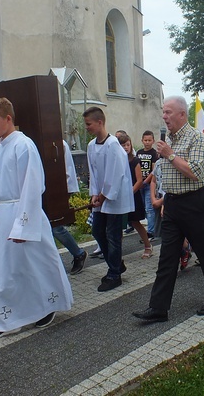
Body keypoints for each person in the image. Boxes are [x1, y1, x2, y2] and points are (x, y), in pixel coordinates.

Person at [0, 98, 73, 340]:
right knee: (4, 268)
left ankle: (46, 307)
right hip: (2, 215)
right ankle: (6, 313)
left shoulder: (24, 145)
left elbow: (32, 185)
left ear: (8, 118)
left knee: (35, 266)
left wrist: (23, 225)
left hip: (23, 214)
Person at [133, 96, 204, 323]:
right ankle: (158, 308)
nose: (164, 117)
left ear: (182, 114)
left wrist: (170, 155)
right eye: (163, 112)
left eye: (168, 112)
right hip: (172, 204)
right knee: (167, 257)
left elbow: (195, 172)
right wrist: (164, 201)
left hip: (195, 203)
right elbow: (163, 175)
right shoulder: (168, 140)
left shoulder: (198, 139)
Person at [84, 107, 134, 291]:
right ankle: (116, 264)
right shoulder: (91, 145)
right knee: (98, 231)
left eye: (89, 124)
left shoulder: (113, 144)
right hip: (101, 198)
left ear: (100, 122)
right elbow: (94, 173)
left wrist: (104, 196)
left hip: (114, 198)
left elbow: (116, 174)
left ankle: (114, 274)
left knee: (113, 236)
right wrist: (94, 194)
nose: (86, 127)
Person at [51, 140, 87, 275]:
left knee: (56, 227)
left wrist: (65, 193)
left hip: (58, 191)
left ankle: (78, 253)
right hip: (45, 193)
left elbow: (68, 172)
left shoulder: (59, 144)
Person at [118, 133, 153, 259]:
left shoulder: (135, 160)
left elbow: (139, 181)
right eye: (123, 145)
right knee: (118, 224)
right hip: (120, 197)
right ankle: (117, 250)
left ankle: (148, 245)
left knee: (135, 222)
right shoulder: (117, 160)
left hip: (133, 196)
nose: (126, 147)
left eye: (128, 145)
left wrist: (130, 193)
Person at [136, 130, 159, 239]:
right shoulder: (139, 152)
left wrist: (145, 181)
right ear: (142, 140)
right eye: (145, 140)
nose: (147, 142)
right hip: (139, 183)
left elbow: (153, 171)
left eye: (149, 140)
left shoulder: (154, 154)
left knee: (149, 208)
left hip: (149, 184)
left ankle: (151, 231)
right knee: (143, 207)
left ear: (153, 141)